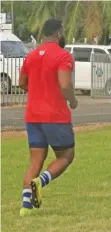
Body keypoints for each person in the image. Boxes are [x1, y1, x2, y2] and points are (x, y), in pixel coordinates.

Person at [18, 18, 78, 216]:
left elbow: (22, 82)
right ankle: (40, 182)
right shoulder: (63, 56)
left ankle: (25, 208)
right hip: (55, 116)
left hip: (33, 116)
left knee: (35, 162)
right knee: (66, 155)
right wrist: (73, 100)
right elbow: (64, 84)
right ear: (59, 33)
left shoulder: (31, 56)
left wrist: (38, 90)